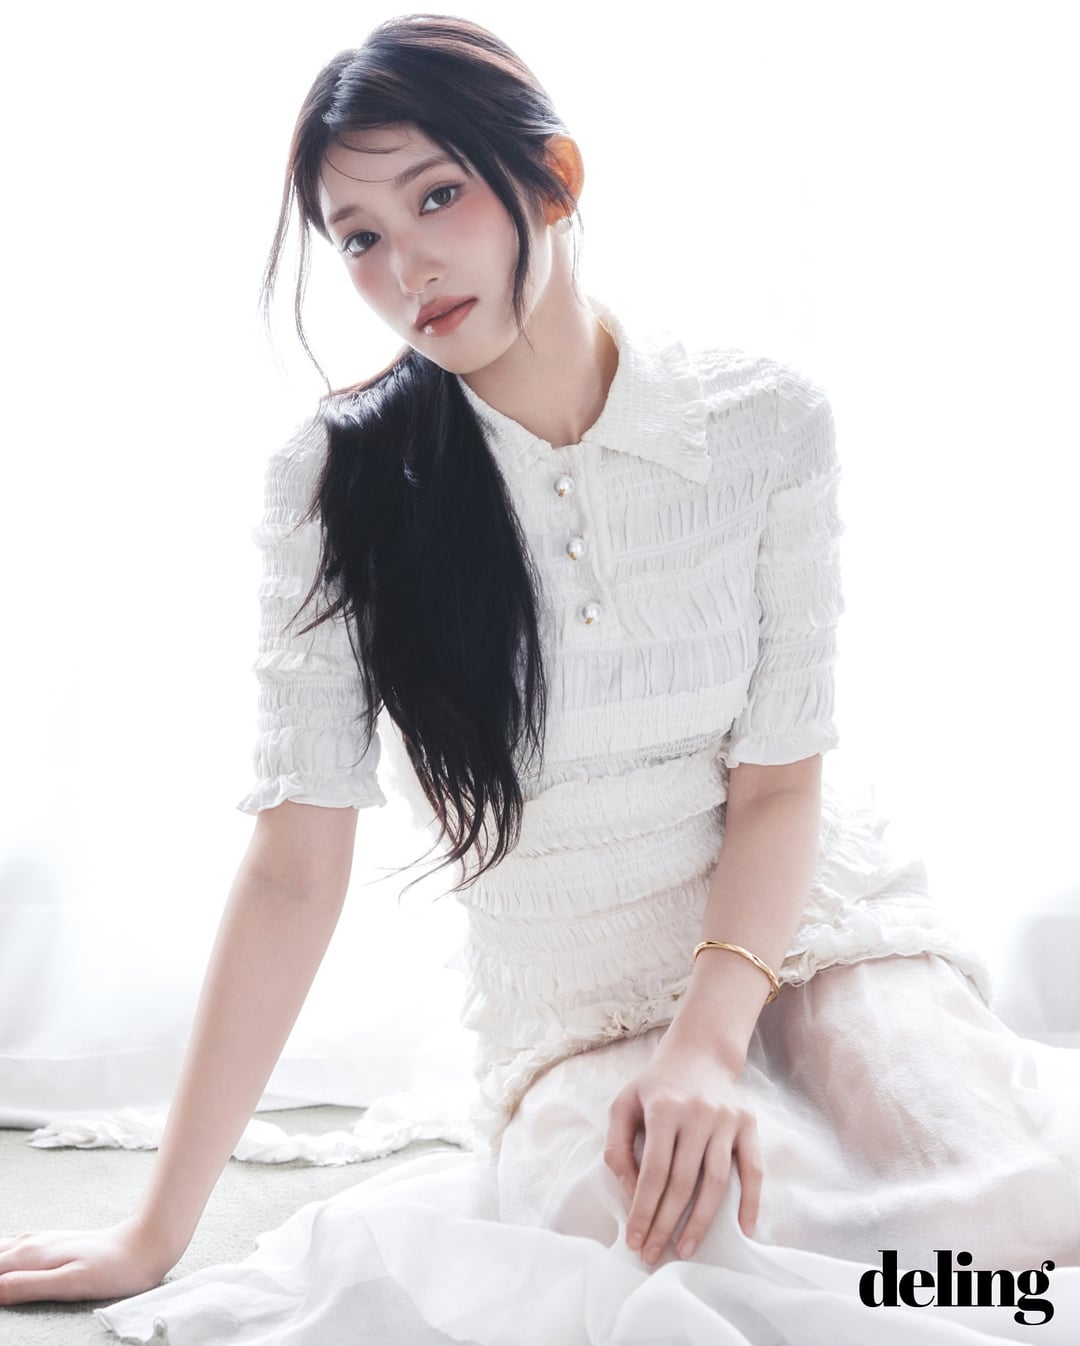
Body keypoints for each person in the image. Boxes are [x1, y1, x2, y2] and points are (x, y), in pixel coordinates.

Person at [2, 13, 1079, 1344]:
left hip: (808, 929)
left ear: (553, 180)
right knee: (734, 1258)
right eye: (358, 237)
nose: (406, 267)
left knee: (1009, 1208)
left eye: (436, 197)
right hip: (578, 1010)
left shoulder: (763, 420)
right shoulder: (339, 484)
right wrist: (153, 1230)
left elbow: (779, 784)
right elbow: (292, 868)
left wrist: (710, 1043)